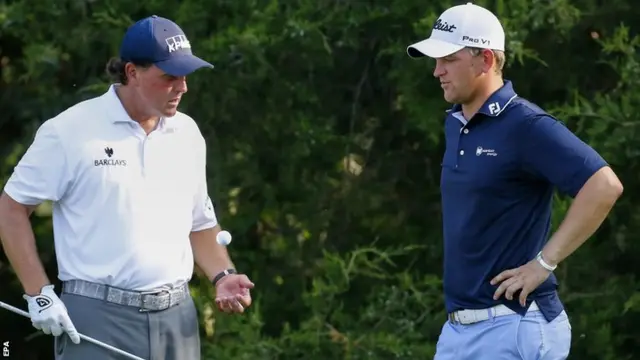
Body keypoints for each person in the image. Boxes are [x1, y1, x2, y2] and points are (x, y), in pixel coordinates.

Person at [0, 15, 254, 360]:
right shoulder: (70, 131)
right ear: (132, 72)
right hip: (97, 317)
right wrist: (38, 293)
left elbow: (199, 222)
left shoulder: (187, 133)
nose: (182, 87)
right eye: (169, 77)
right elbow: (11, 208)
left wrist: (223, 275)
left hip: (176, 317)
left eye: (184, 76)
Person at [406, 3, 623, 359]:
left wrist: (544, 264)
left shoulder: (525, 125)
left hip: (514, 327)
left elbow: (604, 185)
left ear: (486, 60)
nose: (436, 71)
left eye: (448, 59)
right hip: (459, 331)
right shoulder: (455, 122)